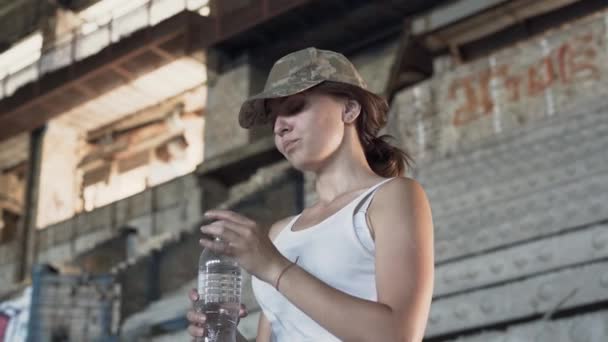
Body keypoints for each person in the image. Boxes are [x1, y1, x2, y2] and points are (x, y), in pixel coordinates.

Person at [186, 47, 434, 341]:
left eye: (295, 107)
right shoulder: (280, 233)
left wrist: (275, 268)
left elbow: (399, 336)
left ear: (349, 110)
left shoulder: (392, 197)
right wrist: (224, 333)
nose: (279, 127)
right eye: (274, 118)